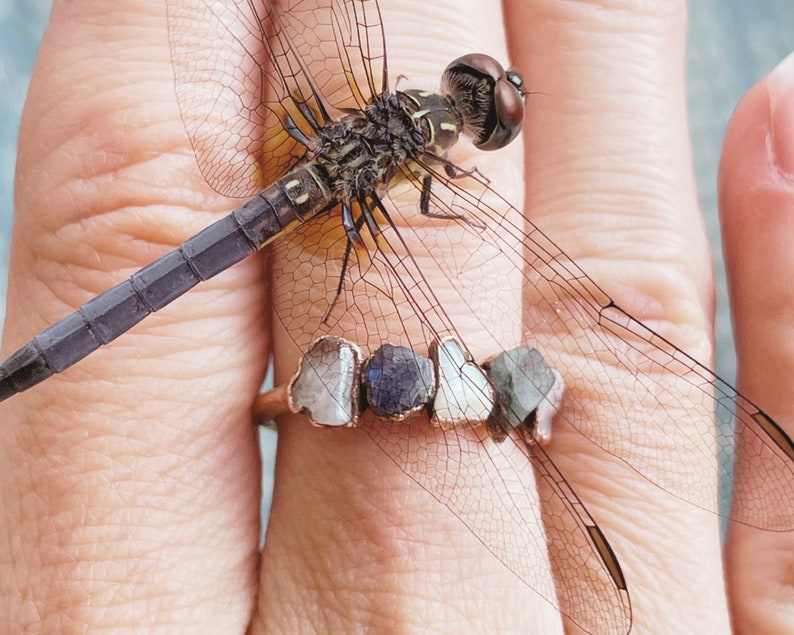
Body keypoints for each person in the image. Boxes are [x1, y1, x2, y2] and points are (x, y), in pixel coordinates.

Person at [0, 1, 791, 632]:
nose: (490, 87)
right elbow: (431, 220)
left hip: (301, 174)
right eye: (484, 91)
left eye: (492, 100)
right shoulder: (441, 170)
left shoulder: (388, 101)